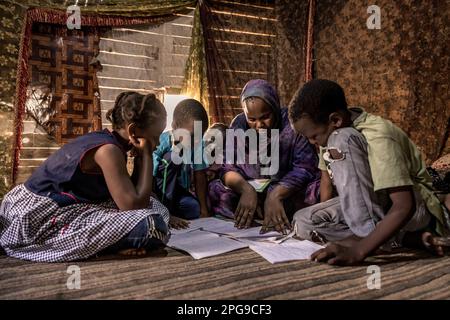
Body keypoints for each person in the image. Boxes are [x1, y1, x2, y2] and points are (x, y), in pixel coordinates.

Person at [289, 79, 450, 265]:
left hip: (413, 207)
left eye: (313, 137)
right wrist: (331, 218)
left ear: (335, 120)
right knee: (303, 222)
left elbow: (405, 205)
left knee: (342, 139)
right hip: (369, 205)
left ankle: (370, 238)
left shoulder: (375, 134)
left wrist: (359, 251)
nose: (312, 142)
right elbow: (327, 182)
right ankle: (401, 239)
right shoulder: (328, 131)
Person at [0, 92, 170, 262]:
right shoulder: (108, 151)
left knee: (156, 206)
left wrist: (140, 158)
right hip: (35, 218)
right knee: (151, 225)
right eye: (155, 137)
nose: (157, 144)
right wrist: (147, 156)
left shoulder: (112, 143)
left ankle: (119, 244)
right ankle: (108, 248)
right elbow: (135, 207)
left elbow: (137, 195)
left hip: (66, 206)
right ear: (133, 131)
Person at [209, 79, 321, 233]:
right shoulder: (239, 125)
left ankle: (269, 211)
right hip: (251, 191)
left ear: (274, 108)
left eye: (265, 117)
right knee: (215, 190)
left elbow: (305, 168)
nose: (259, 125)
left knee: (316, 191)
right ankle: (260, 211)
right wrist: (245, 189)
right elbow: (227, 168)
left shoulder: (291, 125)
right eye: (252, 119)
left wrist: (276, 194)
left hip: (287, 191)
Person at [153, 99, 210, 221]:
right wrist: (163, 212)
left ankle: (172, 212)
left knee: (194, 208)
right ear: (175, 126)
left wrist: (204, 210)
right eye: (192, 135)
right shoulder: (161, 143)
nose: (196, 141)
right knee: (172, 158)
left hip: (178, 194)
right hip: (158, 196)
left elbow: (199, 175)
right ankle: (163, 213)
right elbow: (150, 178)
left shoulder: (196, 145)